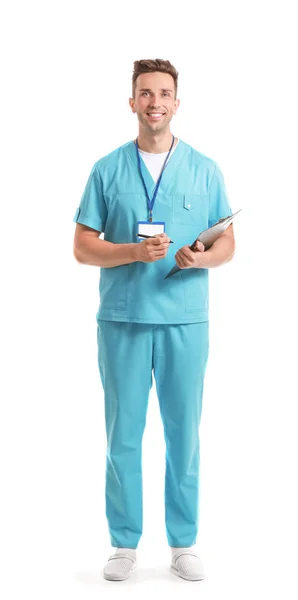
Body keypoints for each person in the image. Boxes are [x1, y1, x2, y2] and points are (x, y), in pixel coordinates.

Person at [73, 58, 235, 582]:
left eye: (164, 92)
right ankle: (124, 544)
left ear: (177, 102)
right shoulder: (107, 170)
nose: (155, 102)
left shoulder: (205, 169)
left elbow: (226, 241)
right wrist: (132, 254)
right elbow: (82, 248)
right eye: (145, 93)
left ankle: (183, 541)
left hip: (185, 321)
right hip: (123, 320)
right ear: (132, 102)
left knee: (183, 433)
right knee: (123, 433)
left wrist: (201, 258)